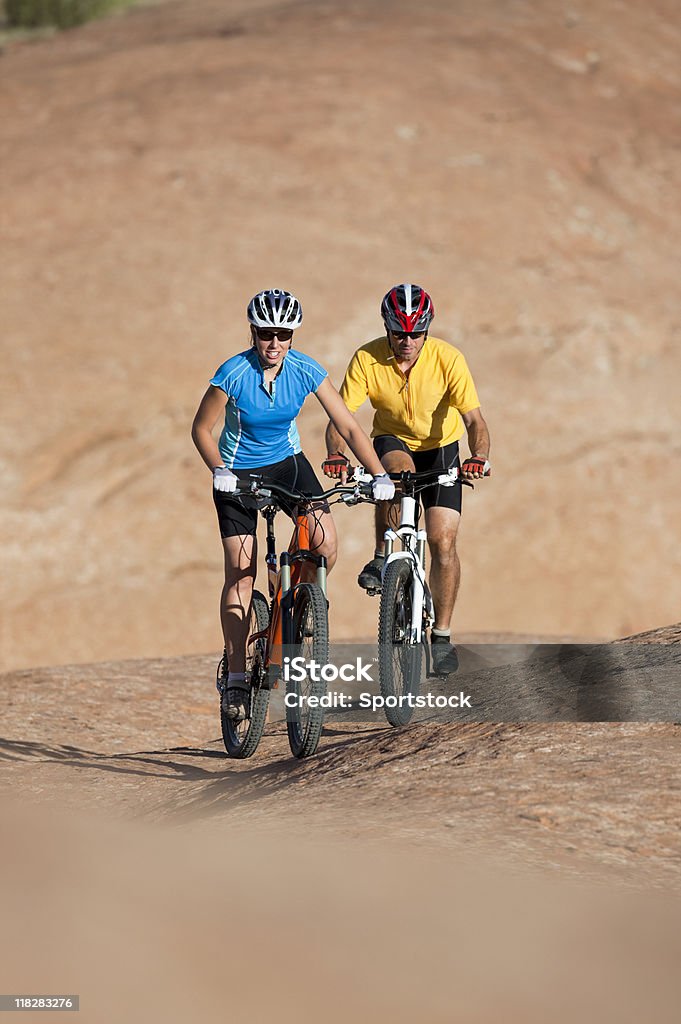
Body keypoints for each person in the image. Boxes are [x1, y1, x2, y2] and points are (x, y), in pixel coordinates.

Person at [191, 288, 394, 719]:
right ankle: (236, 676)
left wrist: (378, 474)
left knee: (325, 544)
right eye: (266, 333)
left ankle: (302, 603)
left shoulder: (305, 370)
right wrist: (219, 471)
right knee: (241, 575)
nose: (274, 343)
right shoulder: (232, 373)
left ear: (293, 336)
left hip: (288, 464)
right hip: (237, 472)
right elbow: (202, 429)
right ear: (253, 332)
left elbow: (350, 427)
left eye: (283, 334)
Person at [323, 283, 491, 676]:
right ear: (387, 327)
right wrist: (335, 454)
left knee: (442, 540)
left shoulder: (448, 358)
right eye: (399, 332)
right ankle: (384, 556)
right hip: (393, 438)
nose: (408, 340)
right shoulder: (367, 358)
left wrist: (478, 457)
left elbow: (474, 421)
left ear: (427, 330)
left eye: (417, 333)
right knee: (395, 475)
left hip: (443, 447)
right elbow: (341, 419)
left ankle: (443, 635)